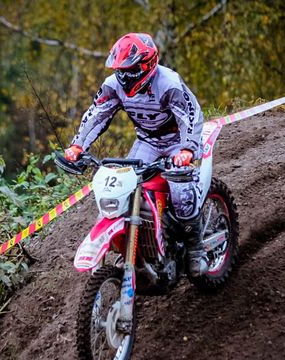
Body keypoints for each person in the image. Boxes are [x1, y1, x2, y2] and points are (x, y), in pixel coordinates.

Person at [64, 32, 208, 276]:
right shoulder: (113, 85)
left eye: (129, 70)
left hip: (178, 142)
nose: (124, 76)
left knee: (180, 192)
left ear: (147, 64)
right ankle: (133, 248)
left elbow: (190, 117)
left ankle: (196, 249)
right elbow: (97, 114)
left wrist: (187, 149)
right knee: (126, 186)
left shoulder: (168, 83)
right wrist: (78, 146)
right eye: (120, 70)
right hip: (148, 141)